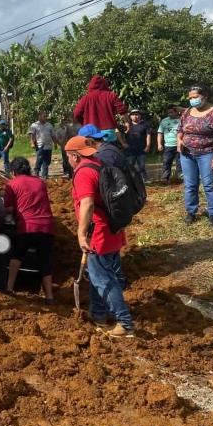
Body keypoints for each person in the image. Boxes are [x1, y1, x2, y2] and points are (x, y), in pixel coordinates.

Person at [65, 136, 134, 338]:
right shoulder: (99, 163)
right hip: (112, 229)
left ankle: (125, 323)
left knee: (103, 279)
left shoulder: (83, 173)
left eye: (68, 156)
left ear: (74, 156)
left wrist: (81, 233)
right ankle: (99, 315)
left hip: (98, 232)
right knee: (100, 275)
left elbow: (87, 203)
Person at [3, 157, 56, 304]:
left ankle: (9, 288)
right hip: (46, 227)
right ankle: (49, 296)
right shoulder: (40, 182)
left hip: (26, 226)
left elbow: (9, 209)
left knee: (16, 256)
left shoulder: (12, 184)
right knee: (45, 261)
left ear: (13, 172)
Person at [177, 85, 213, 226]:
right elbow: (180, 129)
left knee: (209, 184)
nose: (192, 100)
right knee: (190, 185)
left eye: (195, 97)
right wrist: (179, 141)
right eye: (190, 97)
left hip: (207, 154)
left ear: (204, 96)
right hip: (187, 154)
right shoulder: (187, 111)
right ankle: (191, 212)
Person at [74, 75, 128, 143]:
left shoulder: (85, 98)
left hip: (90, 133)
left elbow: (76, 114)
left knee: (92, 152)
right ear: (104, 84)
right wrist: (127, 122)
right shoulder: (111, 95)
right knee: (109, 151)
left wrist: (84, 123)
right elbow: (123, 111)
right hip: (108, 131)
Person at [124, 110, 151, 182]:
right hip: (130, 149)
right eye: (133, 115)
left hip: (141, 149)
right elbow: (120, 134)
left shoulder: (145, 125)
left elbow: (148, 136)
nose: (135, 116)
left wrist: (148, 146)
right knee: (130, 165)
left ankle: (144, 179)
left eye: (137, 114)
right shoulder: (127, 125)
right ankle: (129, 180)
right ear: (130, 116)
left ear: (140, 115)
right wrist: (123, 143)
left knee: (141, 165)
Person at [157, 105, 182, 182]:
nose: (169, 114)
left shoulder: (182, 120)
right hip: (168, 146)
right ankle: (165, 178)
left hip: (180, 145)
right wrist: (159, 144)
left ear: (176, 112)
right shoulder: (164, 121)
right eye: (168, 113)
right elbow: (160, 133)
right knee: (166, 162)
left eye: (171, 112)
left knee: (180, 163)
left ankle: (180, 178)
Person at [28, 111, 56, 179]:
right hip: (40, 146)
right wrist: (32, 143)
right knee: (40, 159)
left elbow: (53, 135)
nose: (45, 118)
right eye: (44, 116)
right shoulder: (34, 125)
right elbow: (32, 135)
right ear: (39, 116)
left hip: (48, 146)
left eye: (46, 116)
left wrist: (55, 143)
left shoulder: (49, 125)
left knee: (47, 161)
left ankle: (44, 175)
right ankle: (39, 173)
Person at [54, 114, 78, 179]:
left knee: (73, 159)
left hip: (74, 145)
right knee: (67, 160)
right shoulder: (65, 128)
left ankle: (73, 173)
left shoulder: (76, 126)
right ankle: (69, 173)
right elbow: (64, 137)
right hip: (67, 145)